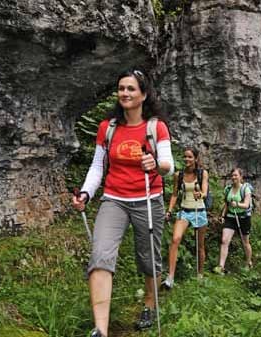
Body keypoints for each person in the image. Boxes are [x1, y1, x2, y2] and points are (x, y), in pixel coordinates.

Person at [72, 68, 174, 337]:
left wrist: (156, 165)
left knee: (148, 259)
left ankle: (149, 304)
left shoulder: (155, 127)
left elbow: (168, 165)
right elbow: (97, 166)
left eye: (131, 89)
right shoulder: (108, 128)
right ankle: (101, 330)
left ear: (143, 94)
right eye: (121, 89)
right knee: (100, 255)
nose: (125, 93)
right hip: (114, 199)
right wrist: (86, 193)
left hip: (148, 199)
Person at [162, 147, 209, 288]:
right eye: (185, 157)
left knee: (200, 246)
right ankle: (170, 277)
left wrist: (200, 194)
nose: (186, 159)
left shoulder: (202, 173)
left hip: (199, 211)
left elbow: (205, 191)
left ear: (195, 158)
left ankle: (200, 274)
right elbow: (175, 194)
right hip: (185, 211)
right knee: (175, 239)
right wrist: (169, 210)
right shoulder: (179, 175)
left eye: (189, 157)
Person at [214, 168, 253, 274]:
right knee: (224, 240)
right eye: (232, 175)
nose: (233, 177)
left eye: (236, 175)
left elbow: (246, 205)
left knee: (245, 242)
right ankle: (221, 266)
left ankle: (248, 262)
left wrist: (237, 204)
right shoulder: (228, 189)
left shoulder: (246, 189)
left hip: (244, 217)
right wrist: (222, 215)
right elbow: (226, 204)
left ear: (241, 177)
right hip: (231, 216)